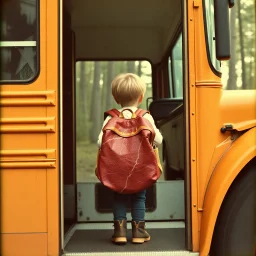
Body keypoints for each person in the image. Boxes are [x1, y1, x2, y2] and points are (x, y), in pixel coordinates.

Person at [97, 73, 163, 244]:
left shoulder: (111, 118)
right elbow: (158, 140)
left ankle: (119, 232)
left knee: (118, 197)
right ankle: (138, 232)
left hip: (116, 169)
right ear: (141, 97)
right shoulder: (145, 116)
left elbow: (100, 142)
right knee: (139, 198)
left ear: (116, 98)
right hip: (140, 167)